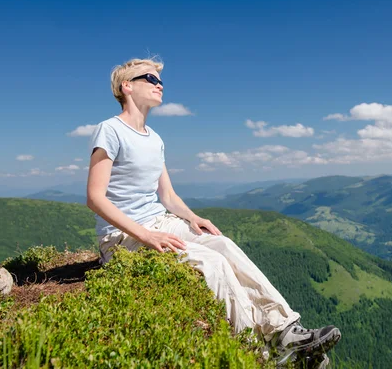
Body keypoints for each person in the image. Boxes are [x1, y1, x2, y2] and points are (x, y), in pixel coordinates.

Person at [86, 57, 341, 367]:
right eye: (150, 79)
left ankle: (284, 330)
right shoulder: (110, 130)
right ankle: (260, 354)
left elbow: (167, 194)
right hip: (123, 237)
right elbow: (95, 198)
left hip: (159, 220)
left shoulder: (155, 139)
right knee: (213, 262)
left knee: (223, 244)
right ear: (127, 86)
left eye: (160, 80)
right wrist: (145, 235)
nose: (159, 84)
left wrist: (193, 218)